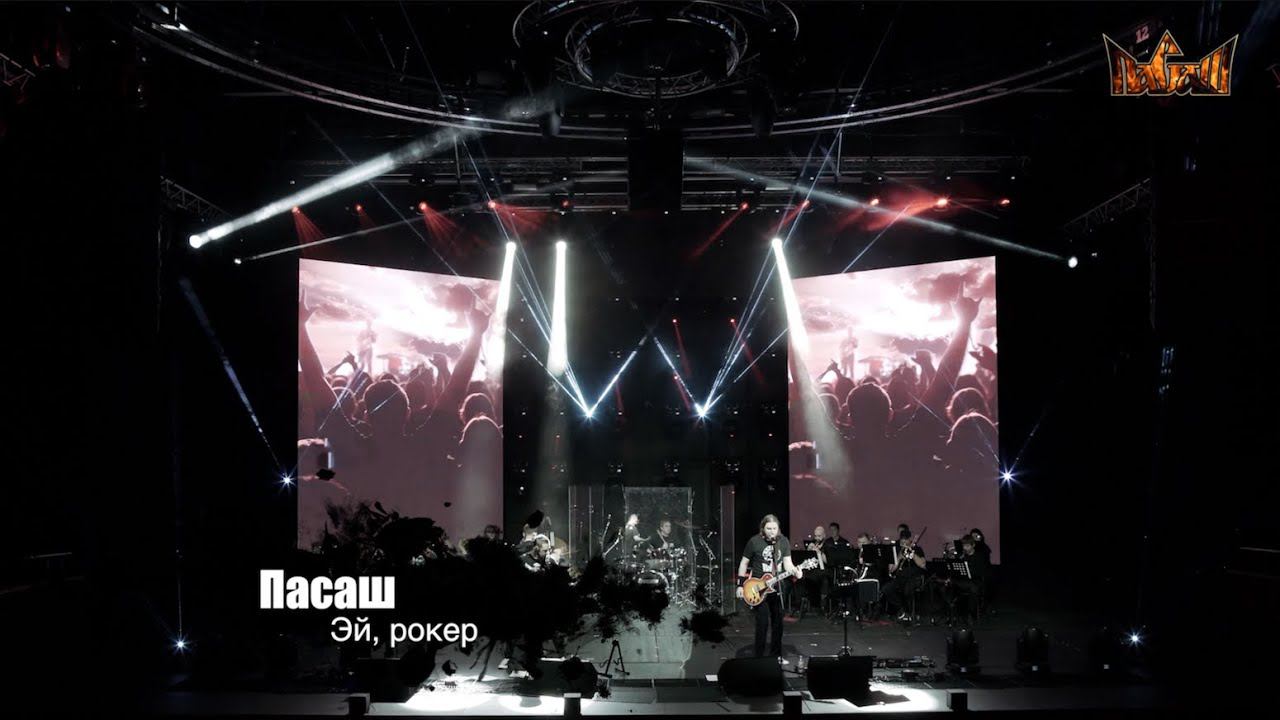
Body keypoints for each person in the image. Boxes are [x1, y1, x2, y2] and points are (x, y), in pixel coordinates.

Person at [736, 515, 804, 662]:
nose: (772, 531)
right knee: (762, 623)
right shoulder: (754, 541)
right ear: (763, 528)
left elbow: (788, 564)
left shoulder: (783, 541)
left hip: (777, 586)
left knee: (778, 622)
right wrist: (740, 584)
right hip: (758, 587)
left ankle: (776, 656)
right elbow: (744, 563)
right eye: (768, 528)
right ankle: (759, 657)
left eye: (774, 528)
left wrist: (796, 572)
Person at [882, 531, 928, 621]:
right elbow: (891, 570)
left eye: (906, 539)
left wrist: (913, 555)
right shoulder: (895, 550)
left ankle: (910, 613)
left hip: (914, 577)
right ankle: (902, 609)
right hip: (900, 577)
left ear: (910, 539)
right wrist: (899, 558)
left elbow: (923, 565)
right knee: (886, 589)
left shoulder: (917, 549)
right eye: (902, 539)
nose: (904, 542)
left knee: (907, 590)